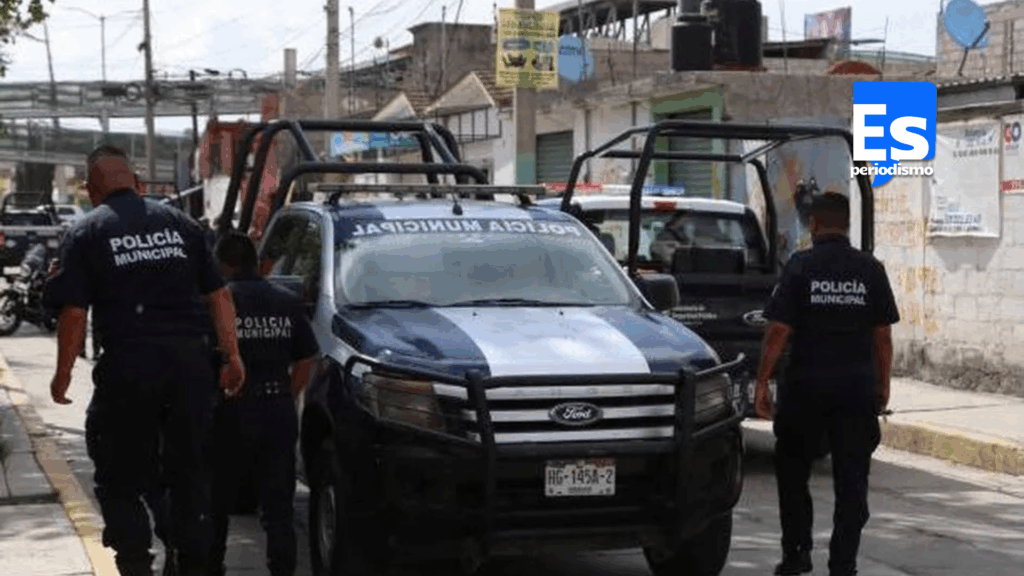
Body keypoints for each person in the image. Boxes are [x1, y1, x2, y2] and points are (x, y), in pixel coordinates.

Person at [43, 145, 246, 576]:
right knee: (190, 474)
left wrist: (62, 374)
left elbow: (74, 312)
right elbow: (219, 295)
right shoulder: (183, 225)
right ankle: (193, 563)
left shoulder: (86, 232)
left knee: (119, 475)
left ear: (92, 190)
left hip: (130, 371)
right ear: (137, 184)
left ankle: (136, 563)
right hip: (191, 369)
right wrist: (232, 355)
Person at [753, 191, 899, 576]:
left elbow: (778, 330)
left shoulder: (801, 267)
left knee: (793, 474)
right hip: (855, 390)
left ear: (813, 224)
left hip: (805, 389)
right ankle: (843, 563)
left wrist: (762, 382)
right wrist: (883, 386)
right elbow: (882, 336)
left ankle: (797, 553)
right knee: (852, 481)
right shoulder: (871, 269)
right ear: (847, 223)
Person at [207, 231, 319, 576]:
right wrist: (288, 392)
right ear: (255, 262)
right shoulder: (286, 301)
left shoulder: (219, 302)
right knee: (278, 510)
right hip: (276, 411)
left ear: (224, 264)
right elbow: (307, 356)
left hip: (230, 412)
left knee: (216, 505)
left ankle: (211, 568)